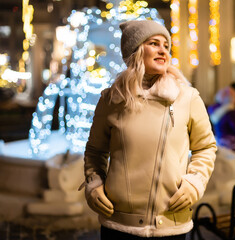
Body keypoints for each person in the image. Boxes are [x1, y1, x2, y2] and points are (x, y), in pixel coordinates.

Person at [79, 20, 217, 240]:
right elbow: (95, 151)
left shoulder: (187, 97)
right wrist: (94, 184)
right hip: (119, 225)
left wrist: (195, 182)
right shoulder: (111, 99)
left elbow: (206, 147)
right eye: (154, 43)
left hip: (171, 224)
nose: (163, 50)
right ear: (135, 51)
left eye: (166, 45)